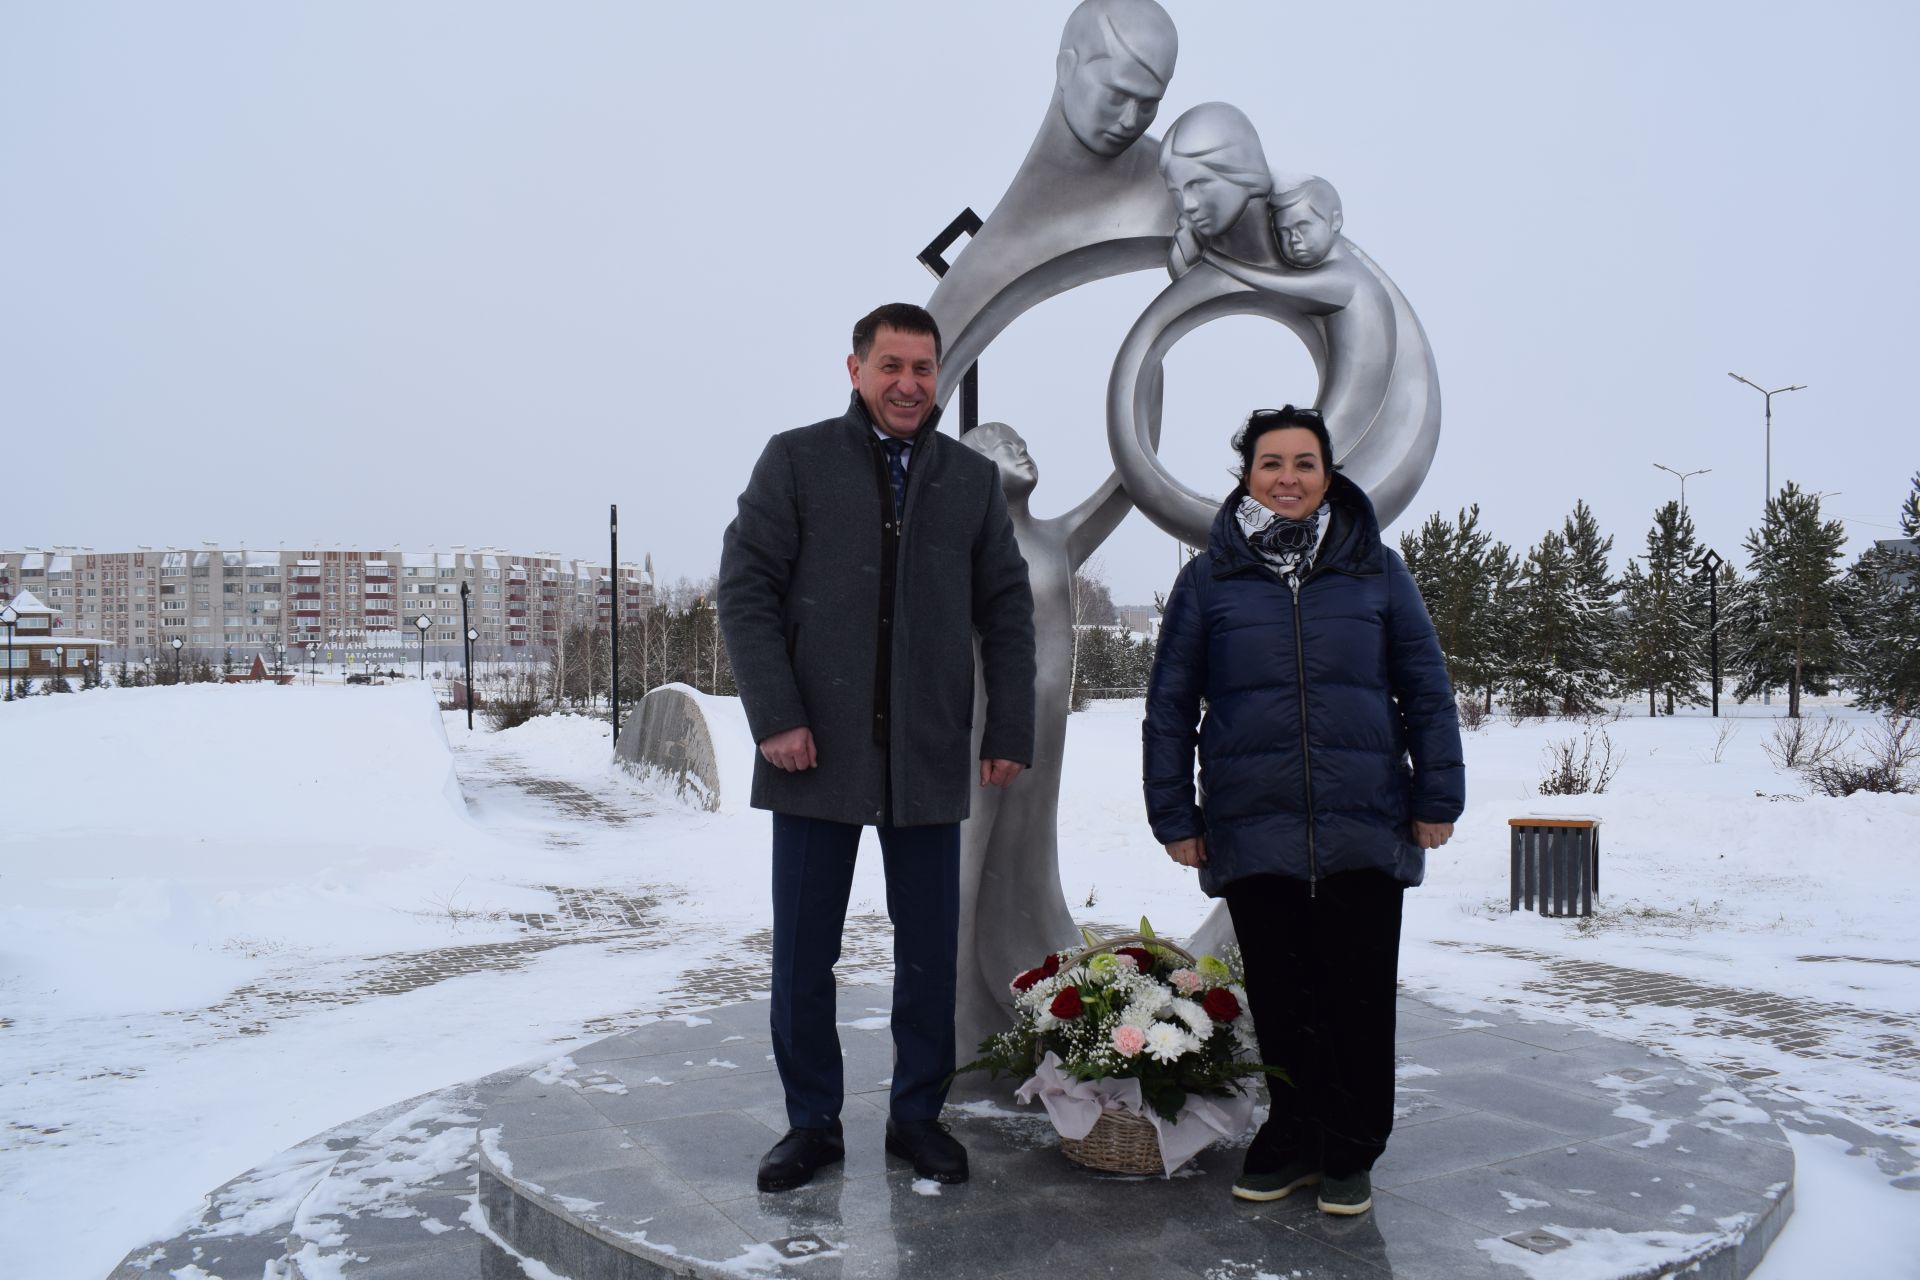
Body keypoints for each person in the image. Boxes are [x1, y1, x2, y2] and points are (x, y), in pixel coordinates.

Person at [717, 303, 1037, 1193]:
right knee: (803, 952)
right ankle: (811, 1123)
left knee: (929, 951)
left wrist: (1009, 725)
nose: (907, 385)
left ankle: (917, 1119)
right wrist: (775, 714)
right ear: (854, 368)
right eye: (890, 366)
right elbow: (744, 589)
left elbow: (1007, 610)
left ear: (940, 377)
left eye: (924, 369)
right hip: (811, 754)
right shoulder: (797, 459)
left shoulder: (969, 482)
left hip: (928, 754)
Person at [1141, 405, 1463, 1215]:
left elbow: (1426, 690)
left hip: (1366, 819)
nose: (1288, 477)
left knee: (1357, 996)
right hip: (1255, 823)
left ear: (1329, 474)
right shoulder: (1208, 580)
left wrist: (1436, 795)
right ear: (1246, 476)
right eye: (1271, 463)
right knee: (1282, 999)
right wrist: (1175, 814)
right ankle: (1291, 1136)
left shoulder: (1377, 570)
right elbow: (1171, 706)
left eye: (1305, 462)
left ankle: (1351, 1149)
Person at [952, 422, 1129, 1061]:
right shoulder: (964, 545)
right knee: (966, 870)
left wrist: (1144, 385)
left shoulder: (1055, 539)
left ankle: (1032, 1003)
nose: (1018, 449)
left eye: (1020, 440)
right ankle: (958, 1030)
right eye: (998, 445)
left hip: (1043, 739)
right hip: (982, 733)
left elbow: (1125, 484)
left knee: (1026, 862)